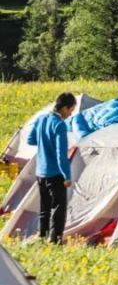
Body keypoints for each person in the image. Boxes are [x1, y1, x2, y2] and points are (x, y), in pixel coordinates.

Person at [26, 92, 76, 244]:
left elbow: (30, 140)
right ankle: (55, 239)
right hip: (55, 174)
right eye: (71, 110)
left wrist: (44, 143)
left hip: (41, 171)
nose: (71, 113)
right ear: (65, 108)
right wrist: (67, 176)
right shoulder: (60, 125)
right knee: (58, 208)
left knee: (45, 206)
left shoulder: (41, 119)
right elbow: (62, 155)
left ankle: (42, 234)